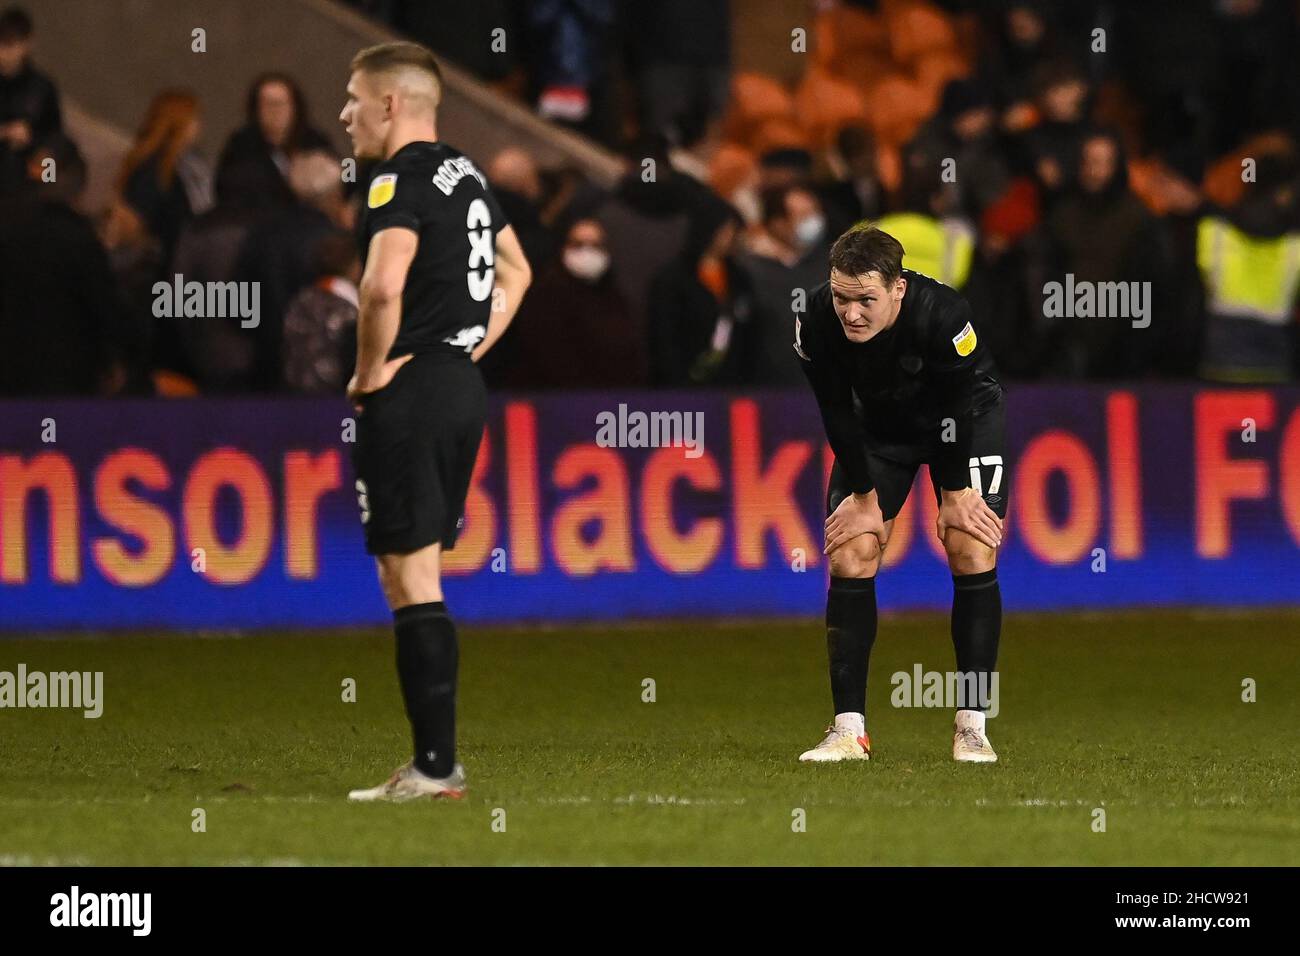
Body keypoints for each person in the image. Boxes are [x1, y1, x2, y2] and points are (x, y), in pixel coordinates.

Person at [339, 42, 532, 802]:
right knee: (410, 571)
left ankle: (434, 767)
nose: (346, 112)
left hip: (414, 390)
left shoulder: (396, 180)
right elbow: (517, 272)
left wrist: (368, 372)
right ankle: (432, 764)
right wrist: (468, 343)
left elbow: (381, 287)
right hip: (459, 385)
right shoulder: (467, 174)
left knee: (409, 575)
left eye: (353, 97)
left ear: (390, 103)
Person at [794, 224, 1006, 764]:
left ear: (898, 289)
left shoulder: (946, 316)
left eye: (866, 299)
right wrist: (864, 495)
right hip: (879, 430)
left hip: (964, 420)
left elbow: (957, 409)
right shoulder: (814, 319)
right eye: (842, 298)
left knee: (969, 543)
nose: (852, 313)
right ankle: (848, 731)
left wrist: (956, 491)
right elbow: (835, 410)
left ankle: (972, 726)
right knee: (851, 550)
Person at [216, 72, 332, 208]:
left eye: (281, 104)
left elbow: (341, 182)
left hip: (312, 222)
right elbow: (226, 189)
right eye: (268, 104)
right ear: (256, 109)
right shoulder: (240, 146)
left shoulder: (315, 141)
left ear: (295, 107)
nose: (276, 111)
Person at [0, 5, 61, 195]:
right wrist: (6, 132)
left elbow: (54, 132)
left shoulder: (41, 87)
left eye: (11, 45)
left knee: (51, 169)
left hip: (22, 171)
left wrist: (35, 143)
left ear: (27, 44)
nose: (4, 53)